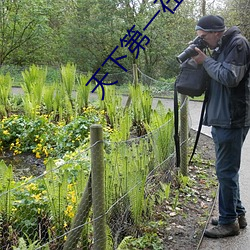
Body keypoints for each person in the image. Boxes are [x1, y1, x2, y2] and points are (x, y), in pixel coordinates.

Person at [192, 15, 250, 238]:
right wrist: (201, 60)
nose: (203, 41)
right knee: (227, 171)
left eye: (204, 37)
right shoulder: (221, 46)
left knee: (225, 171)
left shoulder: (238, 44)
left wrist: (205, 61)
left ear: (216, 32)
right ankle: (237, 214)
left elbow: (229, 77)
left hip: (232, 118)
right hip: (222, 117)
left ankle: (228, 223)